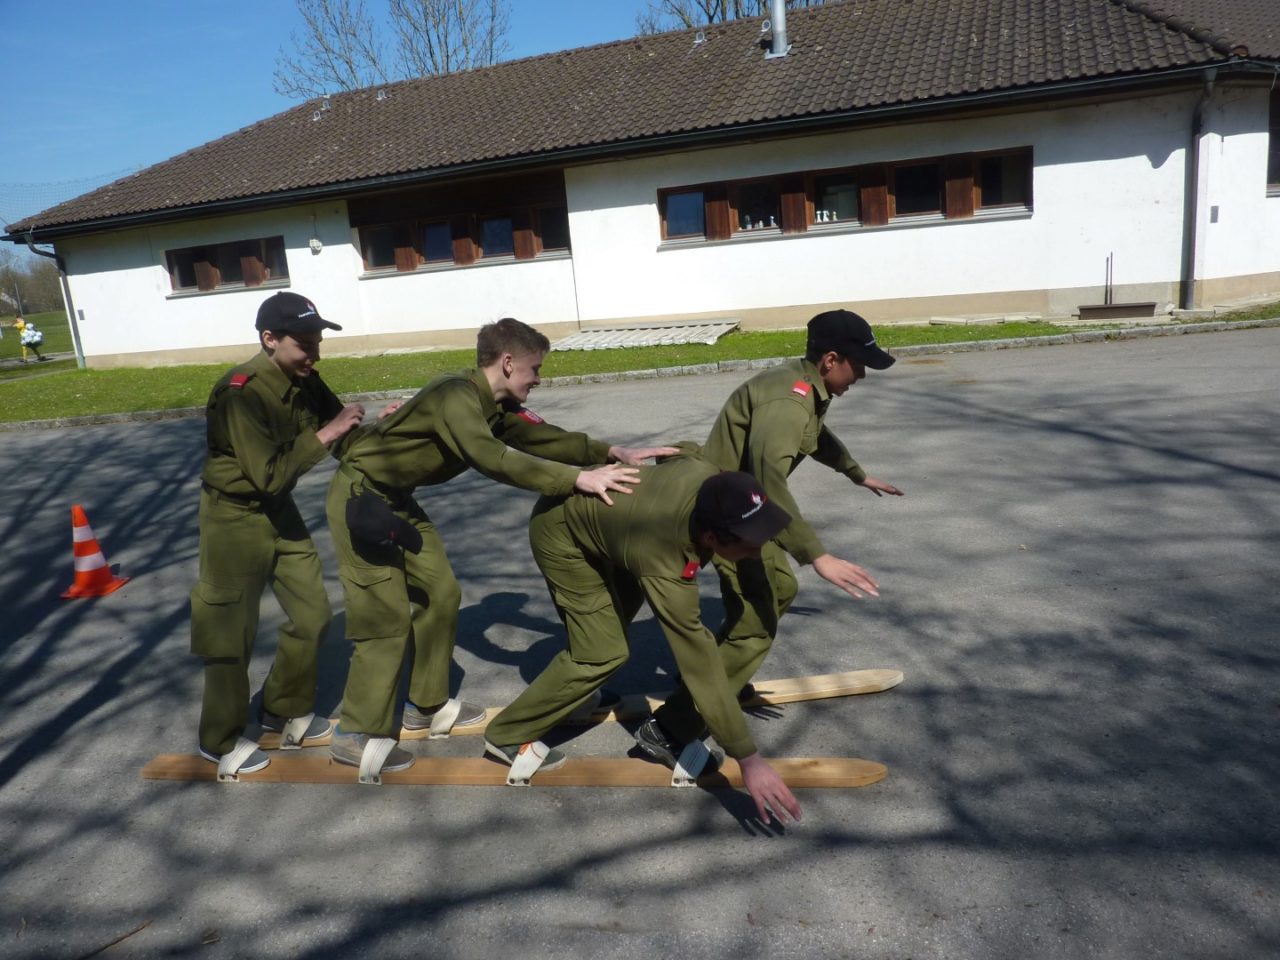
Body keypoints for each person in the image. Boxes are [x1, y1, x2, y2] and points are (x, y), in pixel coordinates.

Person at [325, 317, 675, 778]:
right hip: (360, 498)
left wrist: (611, 452)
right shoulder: (456, 397)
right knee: (383, 618)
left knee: (442, 594)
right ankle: (353, 734)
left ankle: (425, 707)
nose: (538, 378)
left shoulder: (494, 405)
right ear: (508, 363)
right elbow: (492, 458)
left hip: (396, 500)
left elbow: (541, 436)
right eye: (534, 368)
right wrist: (577, 479)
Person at [641, 308, 904, 760]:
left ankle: (716, 677)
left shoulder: (804, 388)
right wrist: (817, 555)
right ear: (831, 359)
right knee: (758, 621)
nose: (861, 375)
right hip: (725, 519)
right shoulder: (788, 401)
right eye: (859, 365)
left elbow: (815, 436)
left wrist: (855, 473)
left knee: (775, 592)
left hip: (739, 509)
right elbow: (770, 481)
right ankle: (667, 729)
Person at [484, 457, 803, 825]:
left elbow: (683, 452)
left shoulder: (712, 480)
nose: (757, 552)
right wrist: (748, 758)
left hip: (620, 526)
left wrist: (812, 554)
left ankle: (572, 695)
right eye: (749, 546)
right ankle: (508, 734)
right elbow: (698, 659)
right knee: (601, 651)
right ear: (712, 538)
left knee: (608, 625)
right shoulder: (665, 561)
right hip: (562, 533)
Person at [190, 291, 369, 778]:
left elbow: (346, 436)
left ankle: (282, 708)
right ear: (270, 339)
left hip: (277, 511)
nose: (315, 354)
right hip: (232, 518)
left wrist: (386, 431)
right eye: (305, 344)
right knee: (230, 633)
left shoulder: (304, 378)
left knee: (313, 614)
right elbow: (268, 474)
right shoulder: (240, 393)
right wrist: (327, 434)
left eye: (317, 342)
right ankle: (218, 740)